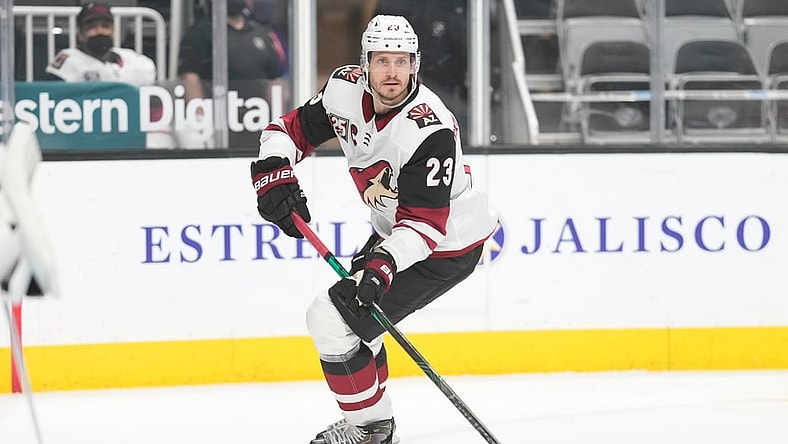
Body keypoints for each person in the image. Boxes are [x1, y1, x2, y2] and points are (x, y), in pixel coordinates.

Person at [249, 15, 497, 444]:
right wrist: (274, 169)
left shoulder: (429, 129)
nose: (393, 73)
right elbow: (289, 131)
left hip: (446, 246)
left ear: (415, 65)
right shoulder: (344, 89)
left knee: (329, 318)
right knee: (352, 321)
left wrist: (381, 266)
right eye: (382, 60)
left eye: (402, 62)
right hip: (396, 231)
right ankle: (375, 427)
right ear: (364, 64)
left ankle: (370, 430)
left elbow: (425, 226)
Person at [43, 2, 173, 148]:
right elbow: (52, 105)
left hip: (131, 136)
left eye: (105, 26)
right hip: (87, 139)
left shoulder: (135, 61)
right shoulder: (68, 61)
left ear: (113, 31)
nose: (100, 31)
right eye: (92, 27)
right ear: (80, 34)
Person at [177, 0, 286, 148]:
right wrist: (200, 123)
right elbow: (190, 78)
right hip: (218, 128)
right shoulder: (199, 33)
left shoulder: (262, 34)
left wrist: (279, 125)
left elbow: (275, 81)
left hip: (257, 123)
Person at [371, 0, 469, 137]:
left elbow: (468, 47)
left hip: (448, 91)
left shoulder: (456, 6)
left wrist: (466, 72)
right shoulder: (392, 5)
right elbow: (374, 51)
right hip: (401, 94)